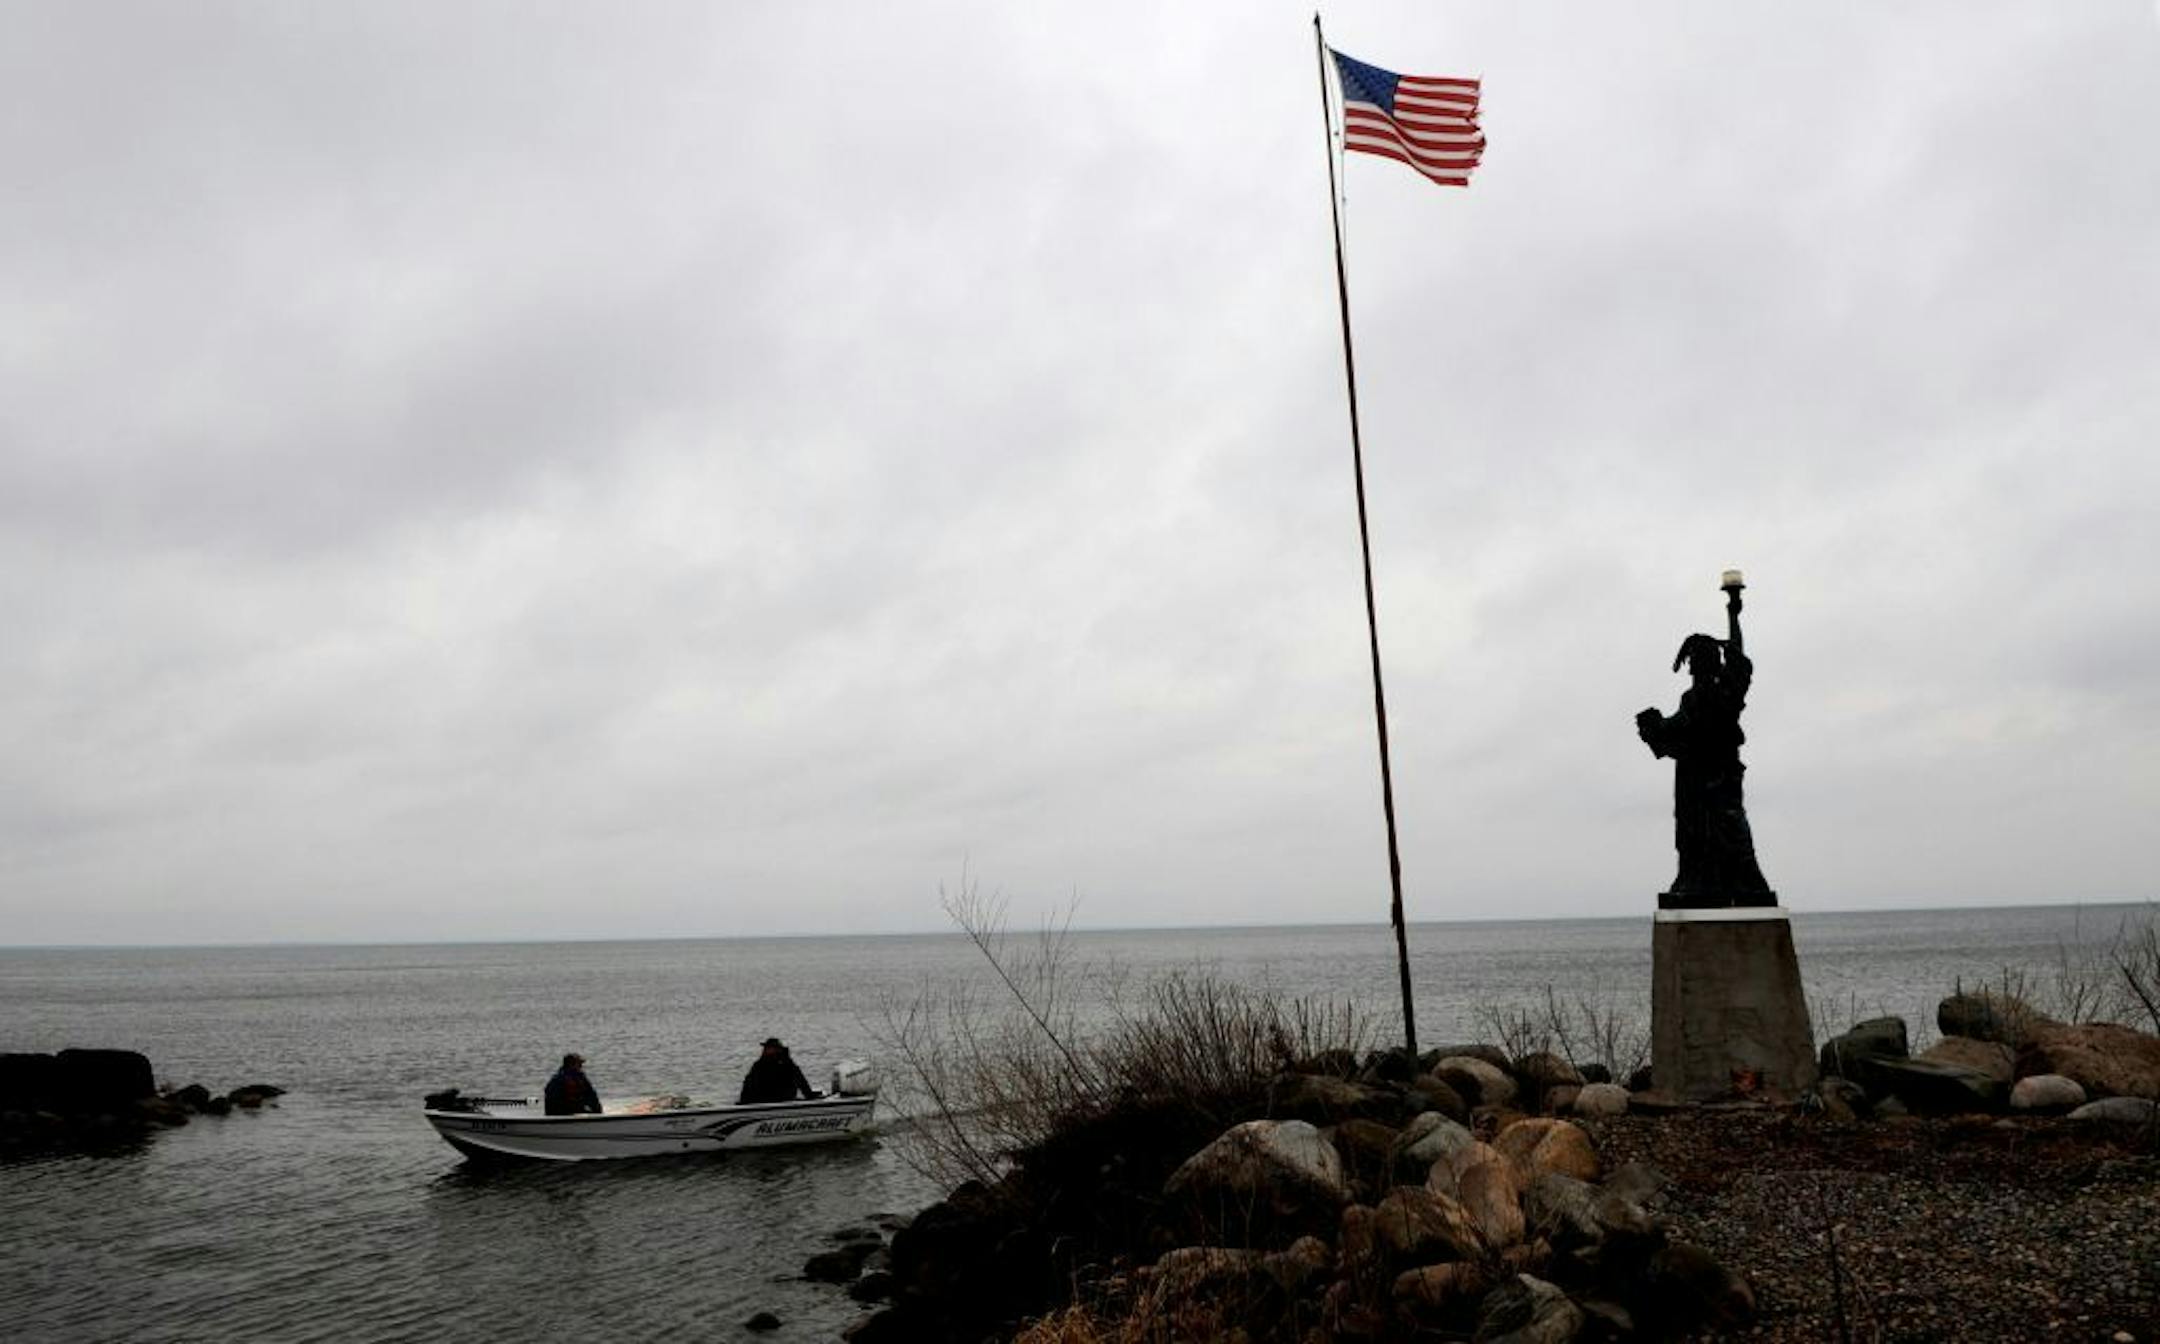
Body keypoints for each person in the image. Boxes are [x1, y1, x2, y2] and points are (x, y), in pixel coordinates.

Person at [1635, 582, 1773, 907]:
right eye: (1692, 663)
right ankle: (1694, 879)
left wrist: (1732, 613)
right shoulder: (1691, 699)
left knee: (1730, 825)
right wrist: (1653, 728)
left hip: (1721, 776)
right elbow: (1675, 729)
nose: (1693, 668)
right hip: (1693, 780)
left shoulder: (1726, 692)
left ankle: (1748, 883)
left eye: (1697, 661)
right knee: (1693, 832)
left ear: (1710, 663)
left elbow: (1737, 654)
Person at [737, 1037, 819, 1104]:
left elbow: (800, 1080)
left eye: (769, 1048)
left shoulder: (787, 1064)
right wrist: (742, 1103)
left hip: (781, 1100)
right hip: (760, 1102)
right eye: (766, 1048)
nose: (765, 1050)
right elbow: (748, 1083)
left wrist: (809, 1096)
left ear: (777, 1049)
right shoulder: (759, 1064)